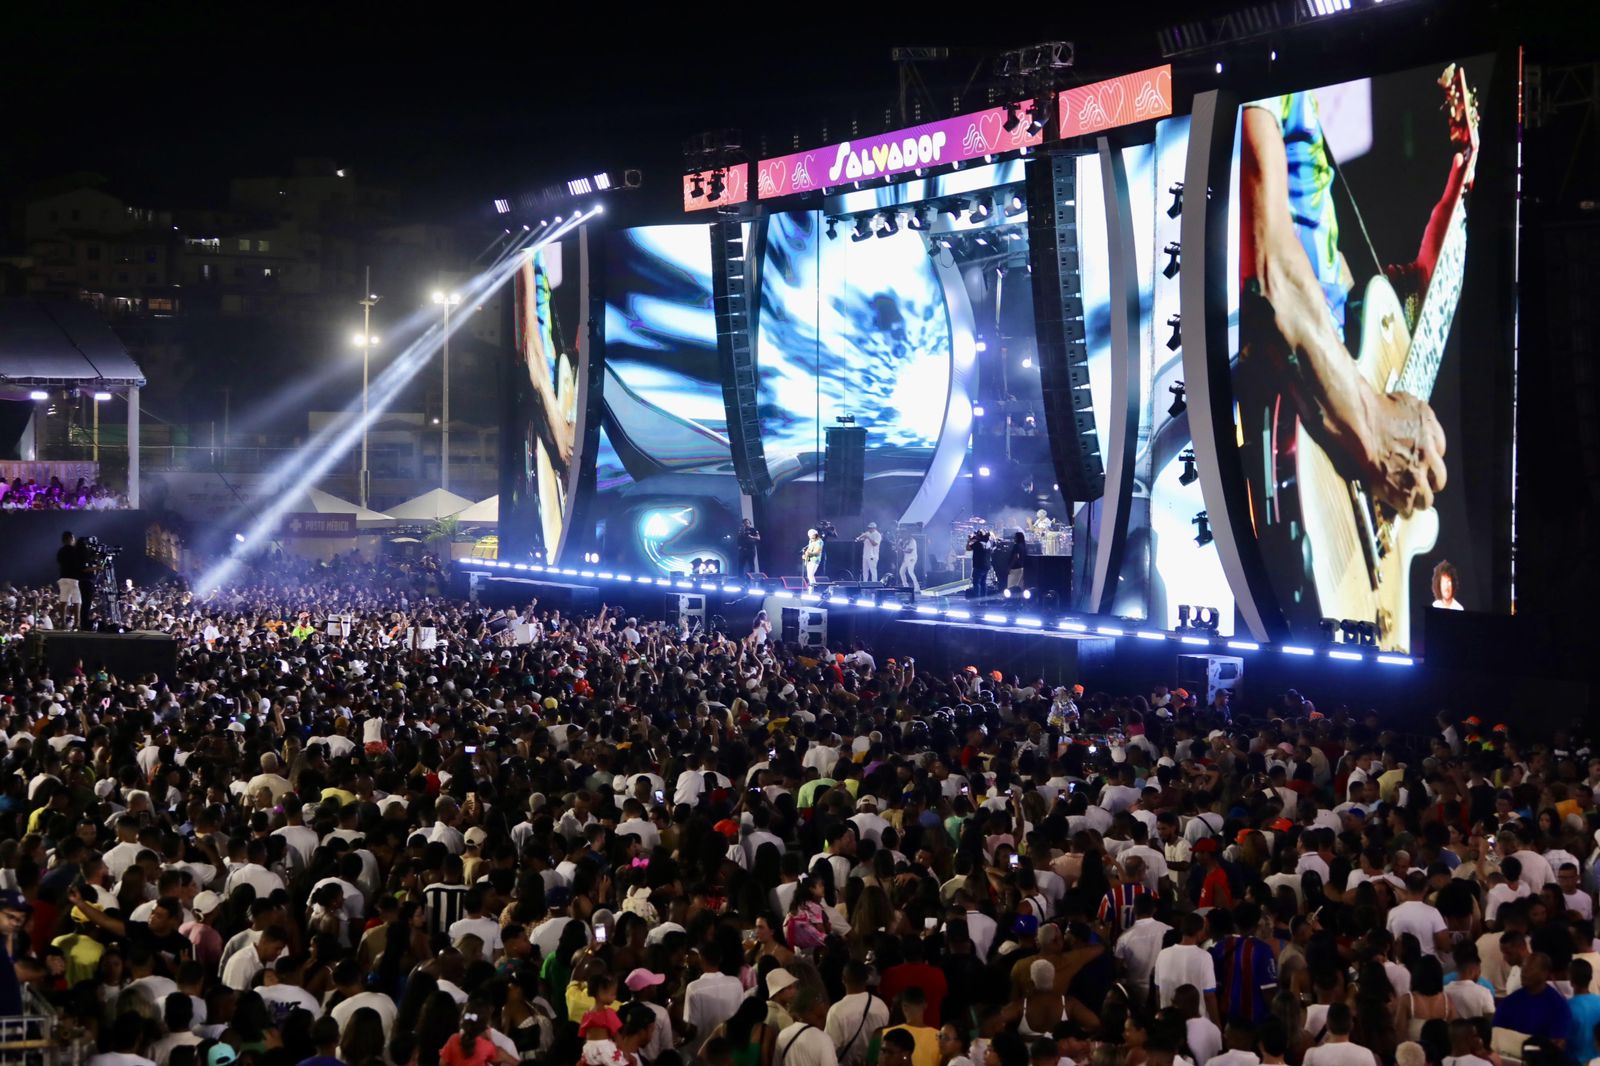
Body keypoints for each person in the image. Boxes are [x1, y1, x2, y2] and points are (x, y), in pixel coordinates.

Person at [57, 530, 86, 630]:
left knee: (63, 601)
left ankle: (62, 622)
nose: (74, 540)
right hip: (74, 578)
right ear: (70, 539)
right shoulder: (75, 550)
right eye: (73, 538)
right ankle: (77, 623)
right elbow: (80, 564)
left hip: (63, 577)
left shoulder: (60, 551)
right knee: (77, 601)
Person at [967, 528, 992, 599]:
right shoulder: (989, 543)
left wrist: (969, 540)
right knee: (983, 583)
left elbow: (968, 548)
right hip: (986, 566)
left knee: (976, 583)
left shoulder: (978, 544)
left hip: (979, 566)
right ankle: (984, 599)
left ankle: (976, 600)